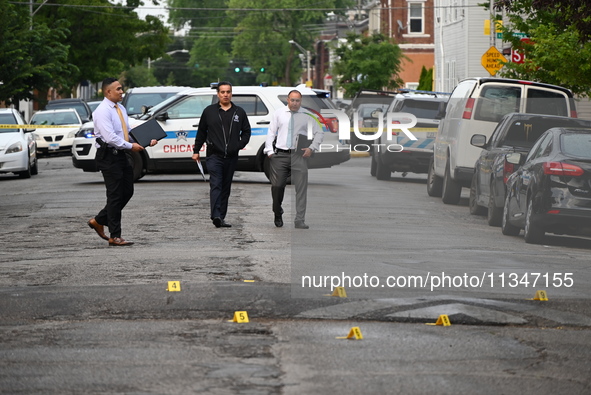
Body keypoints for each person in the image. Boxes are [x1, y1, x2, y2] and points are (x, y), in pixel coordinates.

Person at [87, 77, 157, 246]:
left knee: (127, 191)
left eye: (121, 88)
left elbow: (127, 130)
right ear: (108, 92)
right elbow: (110, 137)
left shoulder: (120, 108)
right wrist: (130, 146)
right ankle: (114, 236)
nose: (121, 92)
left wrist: (145, 140)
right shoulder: (102, 111)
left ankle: (99, 220)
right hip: (109, 156)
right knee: (115, 195)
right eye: (118, 89)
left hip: (121, 155)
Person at [191, 82, 251, 228]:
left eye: (228, 92)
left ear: (231, 93)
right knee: (216, 184)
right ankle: (215, 215)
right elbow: (201, 132)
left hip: (231, 156)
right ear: (218, 94)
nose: (225, 94)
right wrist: (196, 151)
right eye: (222, 92)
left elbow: (247, 132)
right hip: (214, 155)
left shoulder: (239, 112)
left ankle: (221, 217)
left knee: (226, 187)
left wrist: (238, 145)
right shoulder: (209, 111)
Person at [264, 90, 323, 229]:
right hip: (280, 155)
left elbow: (319, 132)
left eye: (298, 101)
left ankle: (300, 219)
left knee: (301, 189)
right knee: (277, 186)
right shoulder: (278, 113)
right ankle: (277, 212)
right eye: (292, 100)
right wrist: (270, 151)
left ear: (300, 101)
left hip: (299, 156)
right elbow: (271, 132)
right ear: (288, 100)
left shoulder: (308, 115)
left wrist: (312, 148)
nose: (295, 103)